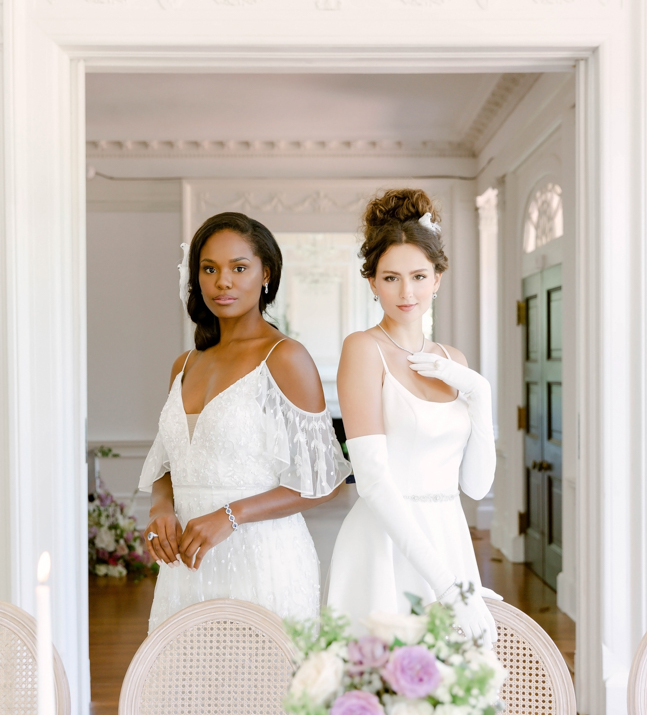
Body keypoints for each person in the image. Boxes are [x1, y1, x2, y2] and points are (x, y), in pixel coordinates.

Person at [140, 212, 350, 633]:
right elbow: (170, 462)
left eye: (239, 268)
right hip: (186, 566)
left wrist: (230, 515)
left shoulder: (286, 358)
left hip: (264, 561)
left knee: (264, 694)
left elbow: (323, 482)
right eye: (210, 269)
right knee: (187, 694)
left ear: (265, 274)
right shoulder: (184, 365)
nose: (224, 282)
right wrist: (161, 507)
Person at [326, 189, 499, 645]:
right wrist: (447, 588)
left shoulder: (452, 358)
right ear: (372, 282)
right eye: (391, 278)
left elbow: (476, 487)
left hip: (449, 538)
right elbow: (374, 483)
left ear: (438, 278)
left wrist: (479, 393)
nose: (407, 292)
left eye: (419, 276)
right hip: (385, 543)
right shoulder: (362, 350)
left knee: (451, 694)